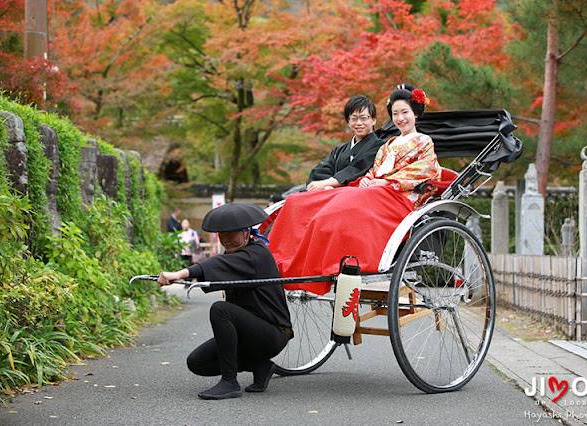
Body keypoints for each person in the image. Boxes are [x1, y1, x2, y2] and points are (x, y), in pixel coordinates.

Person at [267, 85, 441, 293]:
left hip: (399, 194)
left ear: (415, 113)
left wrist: (385, 182)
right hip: (374, 190)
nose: (400, 118)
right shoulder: (388, 145)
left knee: (341, 206)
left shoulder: (424, 141)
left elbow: (424, 169)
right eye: (395, 113)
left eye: (405, 112)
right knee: (303, 200)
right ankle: (280, 257)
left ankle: (322, 262)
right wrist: (368, 180)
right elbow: (373, 170)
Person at [158, 202, 292, 400]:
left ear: (247, 233)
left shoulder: (256, 254)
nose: (226, 239)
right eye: (223, 234)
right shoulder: (233, 256)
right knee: (197, 362)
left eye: (232, 233)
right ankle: (260, 366)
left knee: (221, 309)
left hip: (273, 333)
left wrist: (179, 273)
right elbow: (215, 270)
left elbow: (216, 264)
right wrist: (178, 277)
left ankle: (230, 382)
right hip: (248, 333)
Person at [306, 95, 385, 191]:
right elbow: (322, 170)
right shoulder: (339, 150)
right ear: (348, 122)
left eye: (363, 118)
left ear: (373, 120)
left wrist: (327, 183)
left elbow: (357, 169)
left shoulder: (380, 147)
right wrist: (326, 186)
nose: (359, 123)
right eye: (354, 118)